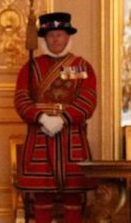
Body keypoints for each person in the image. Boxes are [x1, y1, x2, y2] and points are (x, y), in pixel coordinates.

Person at [14, 12, 97, 223]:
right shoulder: (30, 68)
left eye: (60, 34)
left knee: (73, 196)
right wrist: (41, 118)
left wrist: (63, 119)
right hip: (40, 137)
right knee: (41, 196)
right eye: (51, 35)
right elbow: (21, 100)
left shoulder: (81, 66)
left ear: (68, 36)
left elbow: (88, 100)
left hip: (72, 138)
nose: (56, 39)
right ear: (44, 38)